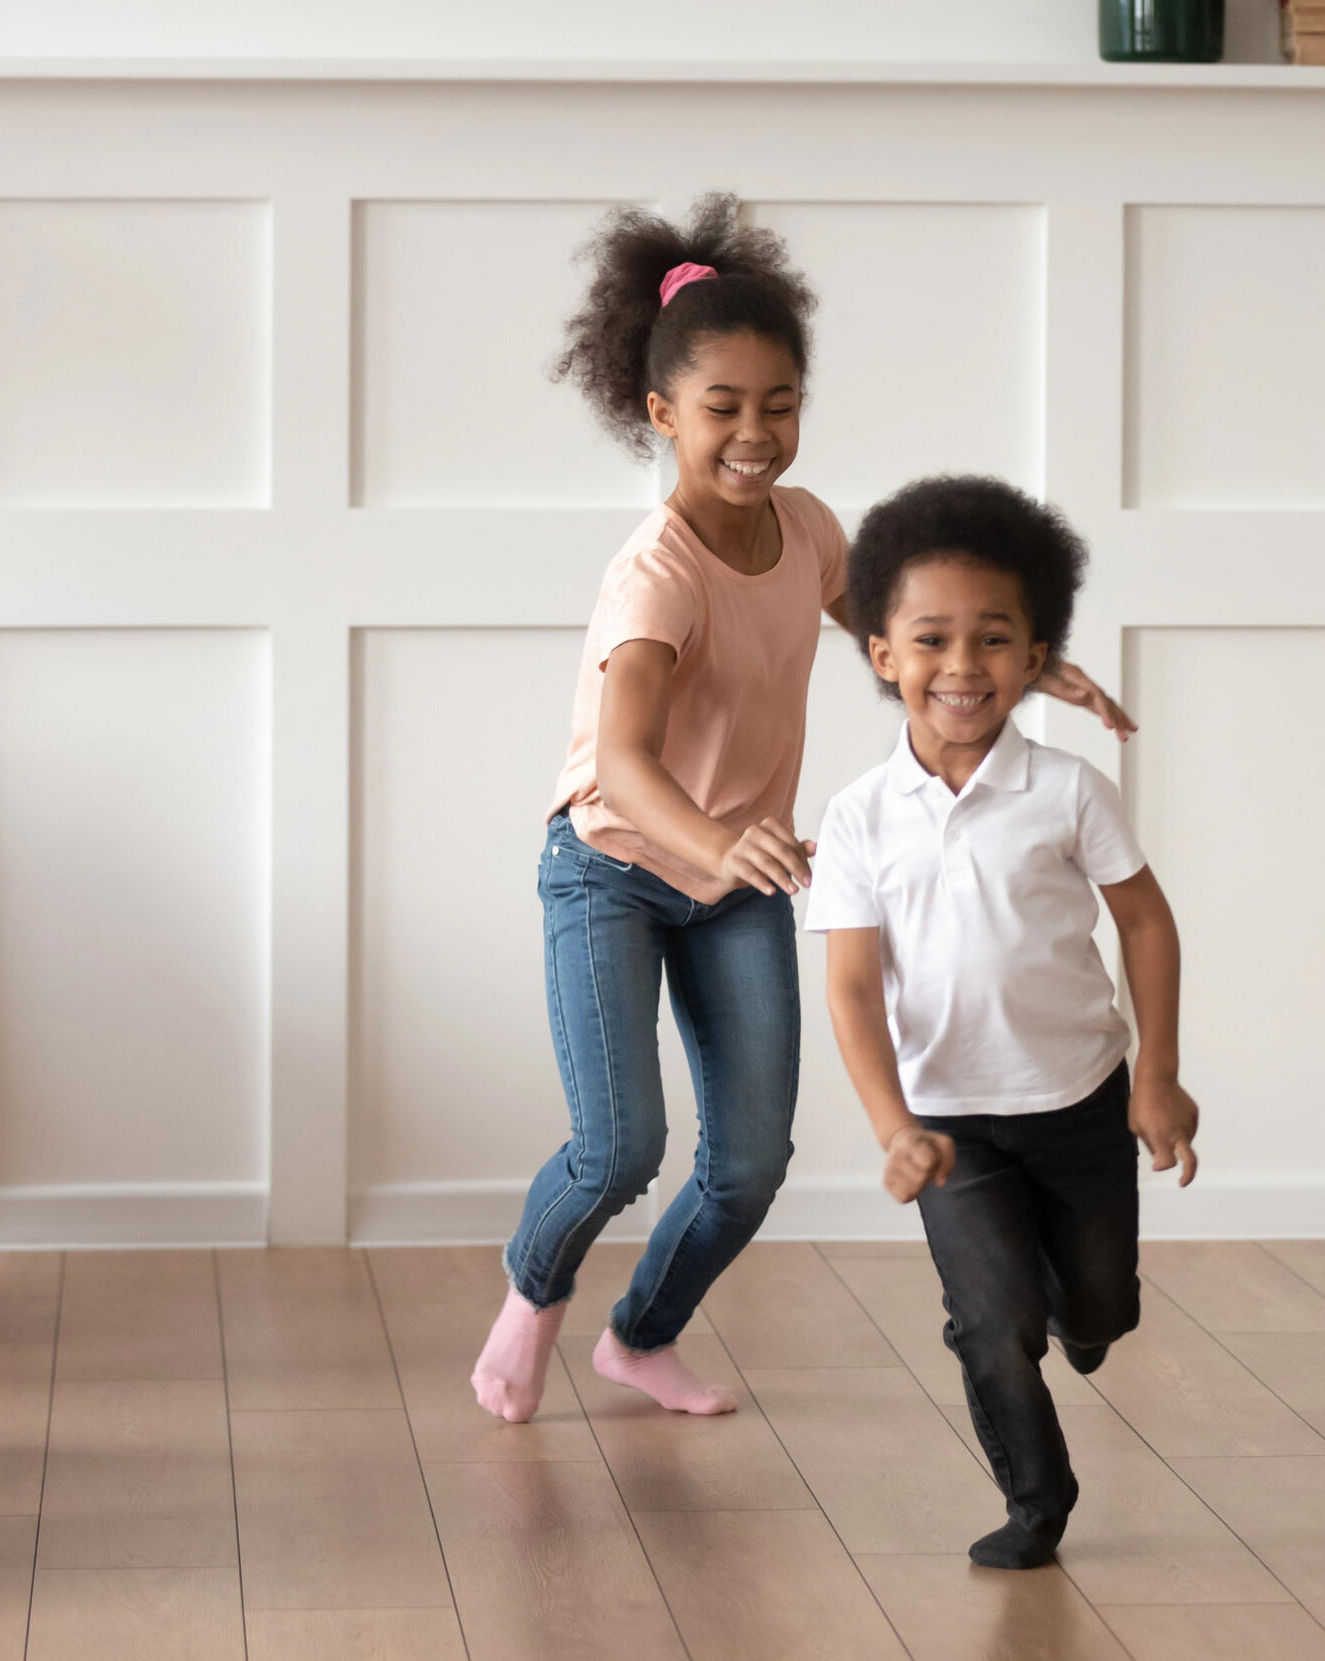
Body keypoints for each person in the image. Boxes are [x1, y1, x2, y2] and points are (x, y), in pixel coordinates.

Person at [472, 200, 1134, 1424]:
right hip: (613, 865)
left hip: (739, 879)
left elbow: (904, 637)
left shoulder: (811, 529)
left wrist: (1036, 668)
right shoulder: (656, 573)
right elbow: (619, 762)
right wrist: (721, 839)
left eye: (780, 403)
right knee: (619, 1150)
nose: (756, 431)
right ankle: (533, 1291)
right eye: (723, 406)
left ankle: (641, 1334)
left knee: (750, 1162)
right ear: (662, 414)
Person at [806, 475, 1199, 1569]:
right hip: (949, 1121)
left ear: (1035, 659)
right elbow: (848, 987)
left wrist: (1158, 1077)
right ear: (883, 652)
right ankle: (1038, 1501)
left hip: (1079, 1100)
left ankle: (1088, 1318)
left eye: (994, 639)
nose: (963, 665)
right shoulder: (857, 816)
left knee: (1101, 1311)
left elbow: (1148, 922)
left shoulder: (1068, 788)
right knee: (991, 1321)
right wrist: (894, 1126)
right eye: (932, 638)